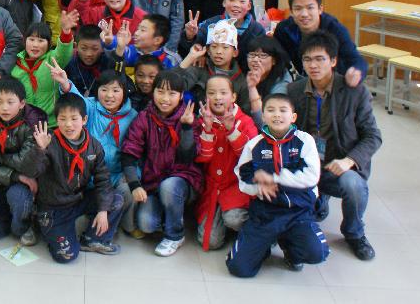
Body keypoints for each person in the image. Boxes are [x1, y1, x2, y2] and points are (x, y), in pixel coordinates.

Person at [287, 31, 379, 261]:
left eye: (320, 59)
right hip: (308, 165)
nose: (313, 65)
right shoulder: (295, 91)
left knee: (353, 184)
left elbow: (373, 136)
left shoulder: (354, 91)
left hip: (339, 164)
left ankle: (354, 233)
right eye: (307, 59)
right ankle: (318, 198)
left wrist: (349, 160)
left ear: (334, 61)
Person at [226, 93, 329, 277]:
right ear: (263, 116)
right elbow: (242, 176)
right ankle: (262, 247)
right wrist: (258, 187)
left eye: (283, 110)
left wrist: (275, 178)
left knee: (317, 253)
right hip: (266, 212)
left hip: (298, 211)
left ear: (293, 116)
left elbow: (311, 177)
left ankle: (290, 248)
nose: (277, 115)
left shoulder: (305, 140)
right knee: (239, 268)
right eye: (271, 110)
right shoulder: (254, 145)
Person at [33, 93, 125, 262]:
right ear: (56, 120)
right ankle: (49, 230)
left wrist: (103, 210)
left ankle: (93, 239)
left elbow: (103, 180)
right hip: (54, 208)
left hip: (77, 200)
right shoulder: (48, 142)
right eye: (63, 119)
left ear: (84, 120)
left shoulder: (94, 146)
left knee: (116, 199)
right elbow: (34, 172)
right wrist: (40, 150)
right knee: (67, 256)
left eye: (74, 118)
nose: (68, 124)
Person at [120, 69, 203, 256]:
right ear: (153, 92)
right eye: (160, 91)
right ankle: (171, 215)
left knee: (169, 187)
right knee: (146, 224)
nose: (165, 99)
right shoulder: (144, 117)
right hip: (153, 182)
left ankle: (175, 235)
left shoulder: (188, 117)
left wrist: (187, 127)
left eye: (172, 93)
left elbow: (188, 157)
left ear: (181, 95)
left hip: (182, 180)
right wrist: (134, 184)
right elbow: (129, 152)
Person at [49, 62, 138, 224]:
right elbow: (76, 101)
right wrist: (65, 83)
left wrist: (133, 174)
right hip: (90, 175)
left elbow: (137, 148)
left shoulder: (133, 116)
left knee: (128, 189)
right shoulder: (90, 107)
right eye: (104, 89)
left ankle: (125, 224)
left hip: (117, 175)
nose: (109, 95)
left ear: (125, 92)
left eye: (115, 90)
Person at [0, 78, 45, 244]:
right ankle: (14, 214)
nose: (4, 107)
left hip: (28, 184)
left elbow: (25, 164)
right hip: (3, 181)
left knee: (17, 198)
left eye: (10, 102)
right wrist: (16, 176)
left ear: (22, 103)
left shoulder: (32, 125)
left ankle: (26, 223)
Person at [194, 76, 257, 250]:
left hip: (237, 187)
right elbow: (201, 158)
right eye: (211, 93)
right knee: (211, 242)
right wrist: (207, 129)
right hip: (212, 189)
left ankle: (255, 231)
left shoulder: (245, 121)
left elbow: (250, 157)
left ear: (234, 97)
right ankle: (223, 222)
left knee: (234, 219)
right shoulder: (201, 121)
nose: (217, 97)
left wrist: (231, 130)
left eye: (223, 93)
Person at [275, 0, 367, 76]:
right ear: (291, 12)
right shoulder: (284, 29)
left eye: (310, 8)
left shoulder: (335, 29)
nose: (304, 14)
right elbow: (276, 57)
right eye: (298, 9)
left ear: (320, 9)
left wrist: (356, 72)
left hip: (332, 79)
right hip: (301, 78)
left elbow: (355, 60)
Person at [180, 0, 265, 66]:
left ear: (249, 6)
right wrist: (190, 36)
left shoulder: (257, 30)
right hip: (212, 71)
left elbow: (260, 57)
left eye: (242, 1)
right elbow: (192, 48)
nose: (236, 5)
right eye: (232, 0)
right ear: (224, 2)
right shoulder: (211, 24)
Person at [10, 16, 76, 125]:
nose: (35, 45)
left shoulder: (53, 59)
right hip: (24, 124)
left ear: (49, 43)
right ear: (24, 41)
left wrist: (66, 32)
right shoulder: (15, 64)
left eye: (41, 40)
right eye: (31, 39)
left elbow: (64, 52)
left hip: (51, 123)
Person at [178, 20, 243, 104]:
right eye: (214, 46)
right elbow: (173, 85)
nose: (219, 51)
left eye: (225, 47)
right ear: (208, 50)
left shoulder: (240, 79)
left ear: (235, 53)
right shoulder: (199, 68)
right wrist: (190, 57)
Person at [242, 36, 296, 118]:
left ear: (274, 60)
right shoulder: (244, 74)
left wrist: (252, 88)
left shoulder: (282, 82)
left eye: (262, 55)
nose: (255, 59)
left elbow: (268, 120)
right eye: (252, 55)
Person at [111, 14, 180, 74]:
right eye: (138, 29)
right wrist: (120, 47)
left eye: (143, 30)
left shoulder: (171, 61)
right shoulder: (131, 51)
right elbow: (115, 71)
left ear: (157, 40)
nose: (136, 33)